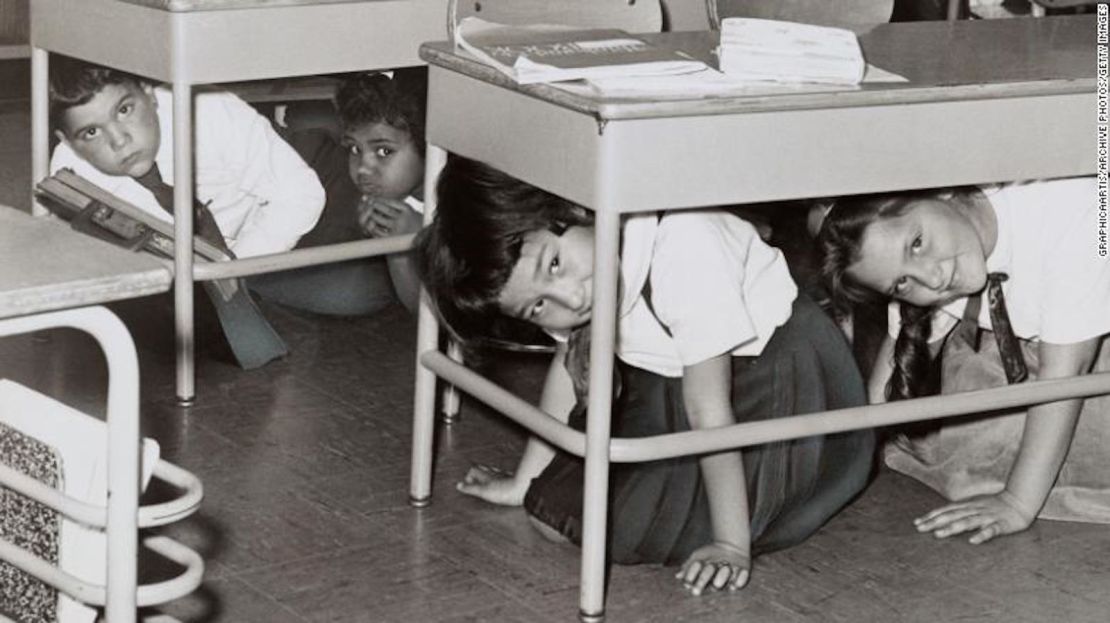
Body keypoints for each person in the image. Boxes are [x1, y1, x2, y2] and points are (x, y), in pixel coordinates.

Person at [413, 156, 875, 595]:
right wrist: (525, 480)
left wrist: (731, 544)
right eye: (537, 305)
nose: (570, 300)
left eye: (554, 264)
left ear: (573, 206)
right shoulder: (583, 270)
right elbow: (566, 370)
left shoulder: (683, 242)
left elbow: (708, 408)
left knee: (612, 524)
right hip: (676, 385)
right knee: (550, 509)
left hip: (774, 385)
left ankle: (732, 513)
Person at [815, 177, 1110, 544]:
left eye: (917, 243)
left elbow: (1065, 378)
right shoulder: (943, 251)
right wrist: (842, 463)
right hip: (1047, 358)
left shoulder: (1072, 211)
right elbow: (884, 388)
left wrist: (1016, 502)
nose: (932, 278)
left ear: (942, 190)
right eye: (901, 283)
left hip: (1080, 365)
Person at [48, 55, 325, 369]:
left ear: (149, 93)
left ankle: (243, 296)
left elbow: (300, 193)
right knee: (156, 324)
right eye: (91, 133)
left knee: (355, 291)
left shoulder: (208, 110)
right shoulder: (68, 173)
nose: (119, 140)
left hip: (271, 207)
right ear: (68, 143)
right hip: (185, 266)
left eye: (125, 110)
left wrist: (234, 266)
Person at [255, 69, 427, 314]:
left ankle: (237, 273)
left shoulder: (455, 199)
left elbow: (427, 316)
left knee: (358, 291)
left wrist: (400, 249)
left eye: (384, 152)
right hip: (303, 189)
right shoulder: (330, 162)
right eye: (355, 149)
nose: (364, 168)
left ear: (429, 146)